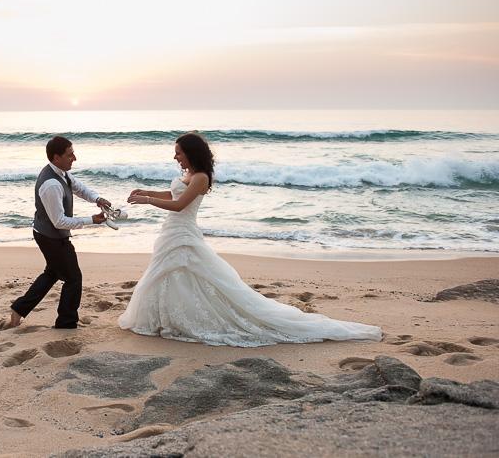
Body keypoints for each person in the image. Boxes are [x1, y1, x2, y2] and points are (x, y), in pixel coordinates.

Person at [119, 132, 382, 346]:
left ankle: (188, 319)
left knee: (188, 273)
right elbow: (174, 194)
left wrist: (147, 200)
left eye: (178, 152)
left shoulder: (200, 177)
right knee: (171, 275)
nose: (175, 157)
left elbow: (179, 206)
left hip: (183, 231)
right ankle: (167, 318)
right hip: (172, 232)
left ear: (191, 152)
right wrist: (147, 191)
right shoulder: (189, 175)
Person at [9, 136, 110, 329]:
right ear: (56, 157)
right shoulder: (51, 185)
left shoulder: (61, 172)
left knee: (52, 273)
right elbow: (59, 222)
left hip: (47, 233)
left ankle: (19, 309)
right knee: (73, 278)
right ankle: (66, 322)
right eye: (70, 155)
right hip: (50, 238)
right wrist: (92, 220)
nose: (74, 158)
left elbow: (78, 187)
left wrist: (97, 199)